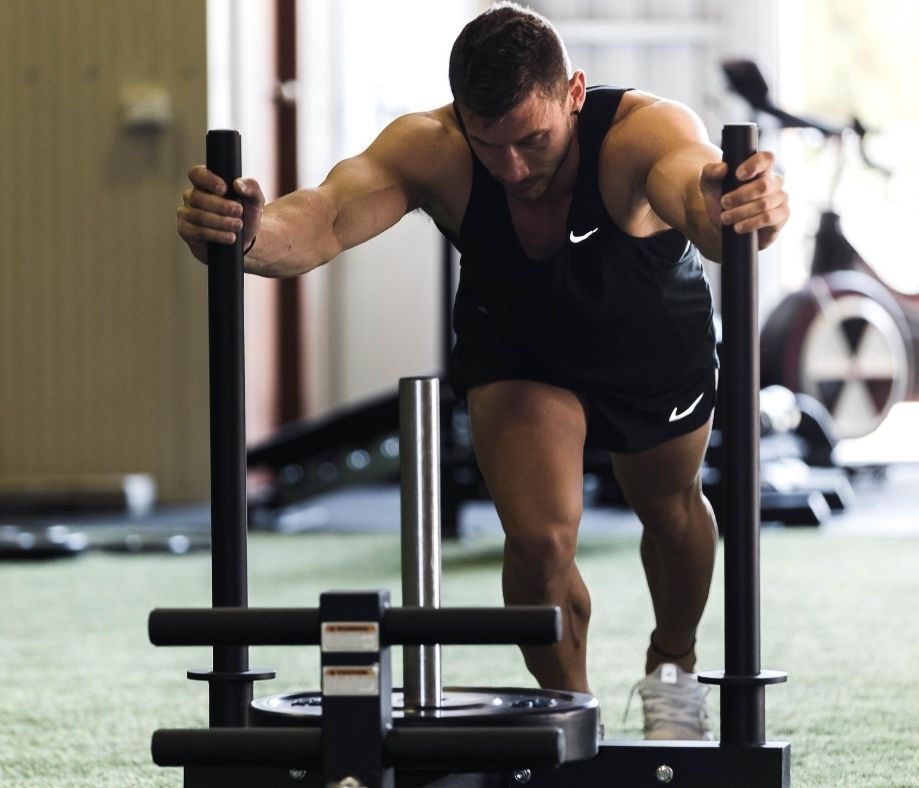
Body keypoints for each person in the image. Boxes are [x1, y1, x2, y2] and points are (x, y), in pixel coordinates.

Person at [177, 2, 788, 740]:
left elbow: (698, 196)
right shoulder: (431, 147)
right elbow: (326, 218)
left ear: (573, 93)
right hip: (522, 345)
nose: (514, 168)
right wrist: (246, 232)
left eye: (533, 140)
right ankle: (573, 720)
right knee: (538, 544)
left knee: (668, 508)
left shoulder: (639, 132)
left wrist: (735, 205)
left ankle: (673, 665)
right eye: (490, 144)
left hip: (650, 335)